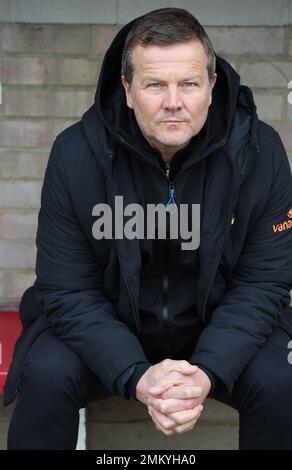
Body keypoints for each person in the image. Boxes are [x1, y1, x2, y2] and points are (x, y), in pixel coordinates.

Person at [3, 7, 292, 450]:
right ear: (128, 90)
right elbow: (68, 290)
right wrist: (137, 376)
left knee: (280, 381)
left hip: (217, 328)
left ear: (211, 87)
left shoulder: (259, 151)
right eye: (155, 84)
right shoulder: (76, 154)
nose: (173, 102)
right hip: (110, 324)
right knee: (45, 373)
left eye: (189, 84)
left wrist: (208, 371)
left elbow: (263, 282)